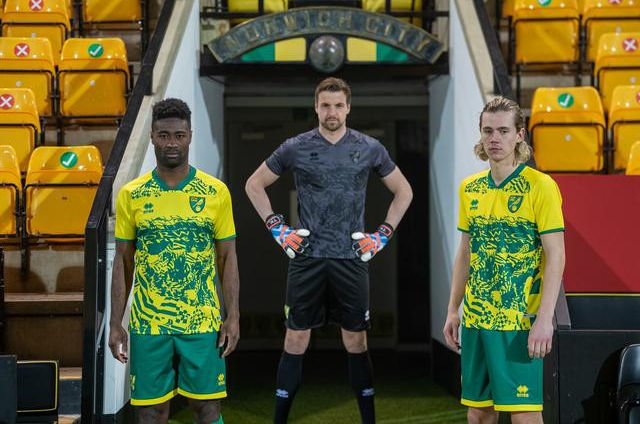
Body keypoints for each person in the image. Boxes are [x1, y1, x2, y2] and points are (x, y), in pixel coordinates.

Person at [245, 77, 413, 424]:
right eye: (325, 105)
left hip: (351, 259)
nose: (331, 112)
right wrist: (278, 228)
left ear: (348, 107)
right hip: (307, 258)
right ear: (316, 107)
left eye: (338, 105)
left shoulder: (369, 147)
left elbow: (404, 191)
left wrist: (382, 235)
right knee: (295, 340)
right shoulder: (296, 146)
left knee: (356, 342)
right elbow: (254, 184)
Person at [108, 98, 240, 424]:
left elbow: (227, 257)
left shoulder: (215, 192)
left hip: (202, 321)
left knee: (207, 409)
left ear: (190, 136)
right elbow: (123, 261)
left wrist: (233, 315)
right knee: (150, 412)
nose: (171, 143)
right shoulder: (131, 194)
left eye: (179, 135)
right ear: (152, 136)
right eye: (164, 135)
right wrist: (115, 323)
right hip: (148, 323)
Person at [443, 96, 566, 424]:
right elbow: (465, 253)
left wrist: (544, 319)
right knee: (478, 414)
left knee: (524, 416)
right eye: (488, 131)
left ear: (519, 135)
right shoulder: (470, 189)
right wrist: (453, 310)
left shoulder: (541, 186)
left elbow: (556, 255)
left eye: (503, 131)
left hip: (518, 322)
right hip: (476, 319)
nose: (494, 138)